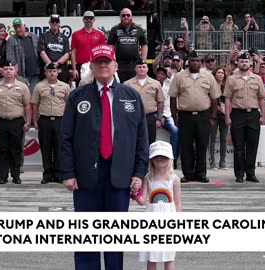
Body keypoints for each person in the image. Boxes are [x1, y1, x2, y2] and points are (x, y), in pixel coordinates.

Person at [60, 44, 148, 270]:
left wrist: (139, 173)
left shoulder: (131, 96)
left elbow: (141, 139)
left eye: (106, 61)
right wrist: (68, 173)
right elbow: (66, 137)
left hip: (120, 176)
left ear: (115, 65)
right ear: (90, 65)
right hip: (87, 176)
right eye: (98, 61)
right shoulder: (77, 97)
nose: (102, 65)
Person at [169, 50, 221, 183]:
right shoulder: (179, 77)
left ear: (201, 62)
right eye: (193, 60)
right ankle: (188, 174)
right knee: (186, 146)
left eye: (198, 60)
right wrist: (174, 117)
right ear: (188, 62)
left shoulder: (208, 77)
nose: (195, 63)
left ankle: (201, 173)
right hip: (185, 116)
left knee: (202, 145)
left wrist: (213, 117)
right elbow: (173, 98)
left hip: (203, 116)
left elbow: (214, 98)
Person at [134, 141, 181, 270]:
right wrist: (134, 194)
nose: (160, 159)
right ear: (151, 159)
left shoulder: (174, 179)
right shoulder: (147, 178)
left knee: (169, 257)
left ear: (170, 158)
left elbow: (177, 203)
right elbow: (143, 200)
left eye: (164, 156)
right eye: (156, 156)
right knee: (151, 257)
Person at [224, 53, 265, 183]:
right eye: (242, 61)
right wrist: (227, 115)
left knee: (252, 145)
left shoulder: (257, 79)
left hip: (253, 114)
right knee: (238, 146)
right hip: (238, 113)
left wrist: (263, 115)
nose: (244, 63)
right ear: (238, 63)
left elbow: (262, 98)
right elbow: (228, 99)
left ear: (250, 64)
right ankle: (239, 174)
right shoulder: (232, 79)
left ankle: (251, 173)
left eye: (246, 61)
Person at [0, 62, 32, 184]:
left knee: (16, 149)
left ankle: (16, 175)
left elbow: (27, 105)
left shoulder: (23, 87)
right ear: (2, 71)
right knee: (2, 150)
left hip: (17, 121)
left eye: (10, 69)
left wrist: (28, 121)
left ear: (15, 71)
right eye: (5, 69)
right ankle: (3, 176)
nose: (8, 71)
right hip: (0, 121)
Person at [31, 63, 71, 184]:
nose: (52, 73)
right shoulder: (39, 87)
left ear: (57, 72)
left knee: (59, 147)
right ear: (45, 73)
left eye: (54, 71)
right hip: (45, 120)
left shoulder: (64, 87)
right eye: (49, 71)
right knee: (46, 147)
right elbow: (35, 104)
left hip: (60, 120)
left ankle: (58, 174)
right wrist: (35, 120)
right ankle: (47, 174)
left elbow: (69, 105)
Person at [124, 58, 165, 145]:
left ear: (147, 68)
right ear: (135, 69)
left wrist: (159, 118)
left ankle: (149, 159)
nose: (142, 69)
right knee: (133, 142)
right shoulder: (127, 84)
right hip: (133, 117)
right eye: (139, 67)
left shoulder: (155, 83)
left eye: (144, 67)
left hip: (149, 117)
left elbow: (160, 101)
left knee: (150, 142)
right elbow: (124, 103)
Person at [107, 8, 148, 82]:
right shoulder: (114, 29)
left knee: (134, 86)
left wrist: (143, 61)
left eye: (128, 15)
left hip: (134, 64)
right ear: (120, 17)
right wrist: (112, 62)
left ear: (131, 17)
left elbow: (144, 45)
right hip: (119, 64)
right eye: (123, 15)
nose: (126, 17)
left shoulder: (138, 29)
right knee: (120, 86)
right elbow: (110, 46)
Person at [71, 11, 106, 86]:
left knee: (97, 86)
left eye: (91, 18)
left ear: (94, 20)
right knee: (81, 87)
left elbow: (103, 52)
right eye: (86, 18)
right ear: (83, 20)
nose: (89, 20)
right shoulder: (76, 34)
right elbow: (73, 52)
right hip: (80, 65)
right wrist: (74, 69)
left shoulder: (99, 34)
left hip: (95, 64)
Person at [6, 18, 40, 93]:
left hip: (36, 73)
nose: (18, 29)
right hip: (21, 74)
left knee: (33, 96)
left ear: (24, 26)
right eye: (15, 27)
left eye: (19, 27)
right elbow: (10, 58)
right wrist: (16, 75)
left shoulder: (34, 37)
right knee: (23, 96)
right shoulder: (11, 40)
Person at [156, 66, 179, 169]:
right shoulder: (151, 84)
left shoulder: (168, 87)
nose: (160, 75)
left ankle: (173, 158)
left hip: (165, 114)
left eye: (162, 74)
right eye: (158, 73)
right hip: (151, 113)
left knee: (175, 130)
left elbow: (169, 104)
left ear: (166, 77)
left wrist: (163, 116)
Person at [39, 14, 70, 84]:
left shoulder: (65, 38)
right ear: (49, 23)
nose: (55, 23)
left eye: (57, 21)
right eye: (53, 21)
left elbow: (67, 54)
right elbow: (42, 52)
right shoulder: (43, 36)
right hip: (47, 68)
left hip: (61, 68)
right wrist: (51, 65)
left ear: (59, 23)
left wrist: (57, 63)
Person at [209, 67, 228, 170]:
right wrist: (216, 108)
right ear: (214, 74)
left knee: (223, 139)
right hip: (213, 115)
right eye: (218, 73)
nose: (220, 74)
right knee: (212, 139)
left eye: (222, 73)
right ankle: (212, 162)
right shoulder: (211, 86)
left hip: (224, 115)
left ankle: (223, 161)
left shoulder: (226, 86)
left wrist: (226, 111)